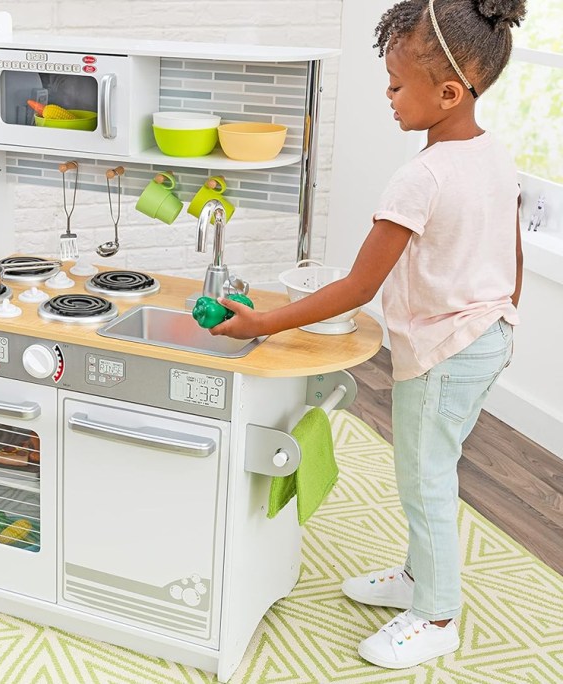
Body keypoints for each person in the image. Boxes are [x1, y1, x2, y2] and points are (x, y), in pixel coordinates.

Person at [210, 0, 526, 670]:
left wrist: (261, 321)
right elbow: (513, 256)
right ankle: (418, 577)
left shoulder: (423, 175)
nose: (386, 96)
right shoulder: (493, 155)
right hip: (487, 338)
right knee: (433, 464)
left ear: (446, 91)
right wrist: (500, 312)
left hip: (445, 352)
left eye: (394, 84)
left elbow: (358, 288)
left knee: (425, 480)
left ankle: (436, 614)